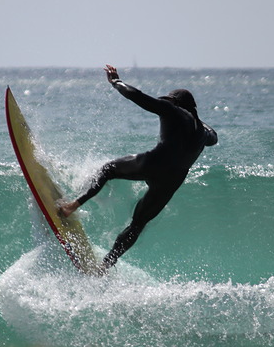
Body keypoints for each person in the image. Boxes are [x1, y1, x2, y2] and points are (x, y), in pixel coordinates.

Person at [59, 64, 218, 271]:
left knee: (108, 170)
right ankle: (106, 265)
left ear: (176, 103)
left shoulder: (172, 110)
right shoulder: (203, 134)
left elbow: (137, 96)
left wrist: (116, 82)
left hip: (154, 163)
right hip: (172, 181)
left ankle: (73, 205)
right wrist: (197, 118)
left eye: (169, 100)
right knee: (138, 224)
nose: (165, 103)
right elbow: (214, 137)